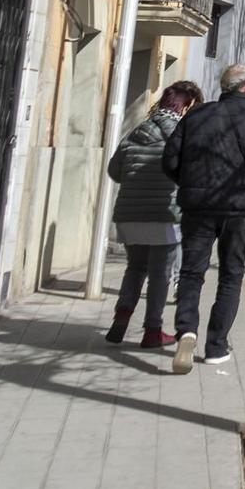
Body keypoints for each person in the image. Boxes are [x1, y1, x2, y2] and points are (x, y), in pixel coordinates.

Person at [164, 63, 245, 373]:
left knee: (191, 272)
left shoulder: (196, 116)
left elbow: (170, 159)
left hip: (198, 206)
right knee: (231, 274)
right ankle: (216, 345)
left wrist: (189, 183)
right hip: (239, 207)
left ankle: (186, 330)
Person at [104, 80, 203, 348]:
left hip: (128, 214)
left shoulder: (135, 132)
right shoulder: (181, 137)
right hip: (165, 215)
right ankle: (152, 330)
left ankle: (122, 316)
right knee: (161, 273)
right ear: (186, 108)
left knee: (135, 267)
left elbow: (115, 171)